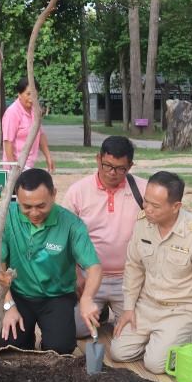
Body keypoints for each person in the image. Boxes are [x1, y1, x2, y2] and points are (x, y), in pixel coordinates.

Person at [110, 172, 192, 374]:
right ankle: (162, 341)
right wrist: (128, 308)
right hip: (147, 305)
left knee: (156, 365)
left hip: (180, 310)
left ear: (175, 206)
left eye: (156, 206)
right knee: (119, 352)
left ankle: (180, 334)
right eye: (146, 202)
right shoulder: (143, 223)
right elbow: (134, 266)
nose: (148, 209)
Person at [0, 168, 102, 355]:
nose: (34, 213)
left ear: (54, 195)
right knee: (9, 347)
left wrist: (87, 298)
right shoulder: (6, 217)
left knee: (60, 350)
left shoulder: (72, 224)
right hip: (18, 294)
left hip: (57, 296)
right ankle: (26, 338)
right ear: (17, 198)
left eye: (41, 206)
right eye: (26, 207)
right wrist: (8, 305)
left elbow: (94, 267)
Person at [62, 136, 144, 338]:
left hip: (128, 280)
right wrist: (76, 275)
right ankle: (100, 308)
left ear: (130, 166)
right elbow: (64, 238)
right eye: (107, 165)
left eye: (120, 168)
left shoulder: (143, 190)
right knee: (75, 331)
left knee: (133, 335)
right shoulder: (78, 192)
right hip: (89, 279)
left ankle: (110, 309)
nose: (112, 173)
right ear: (97, 159)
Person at [2, 77, 55, 173]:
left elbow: (40, 134)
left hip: (29, 165)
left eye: (34, 94)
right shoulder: (12, 113)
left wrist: (48, 156)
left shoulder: (35, 110)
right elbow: (7, 142)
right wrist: (13, 168)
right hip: (16, 166)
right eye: (28, 94)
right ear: (19, 94)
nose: (32, 98)